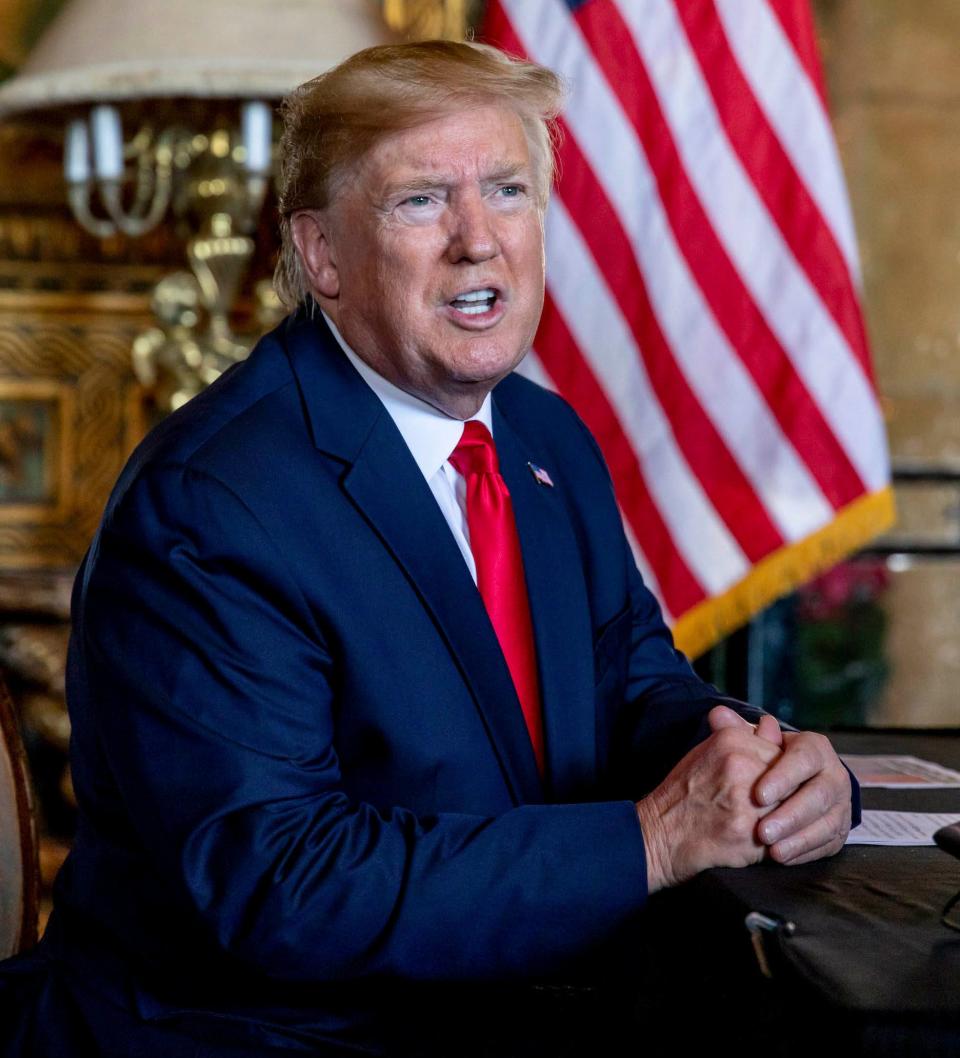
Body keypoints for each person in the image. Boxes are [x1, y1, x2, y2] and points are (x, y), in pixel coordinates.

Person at [0, 40, 856, 1058]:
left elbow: (634, 687)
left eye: (507, 189)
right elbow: (287, 883)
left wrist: (772, 766)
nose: (477, 240)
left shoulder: (544, 440)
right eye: (420, 201)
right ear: (320, 254)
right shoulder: (213, 504)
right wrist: (653, 838)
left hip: (508, 1008)